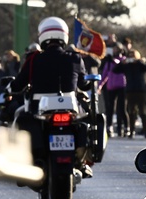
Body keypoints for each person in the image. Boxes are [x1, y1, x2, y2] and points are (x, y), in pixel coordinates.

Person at [10, 16, 93, 176]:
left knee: (20, 118)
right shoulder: (74, 58)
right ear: (64, 36)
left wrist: (11, 87)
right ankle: (82, 161)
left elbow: (18, 85)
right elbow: (83, 84)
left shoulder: (33, 58)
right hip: (70, 109)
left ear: (43, 36)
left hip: (38, 110)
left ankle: (24, 162)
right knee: (86, 121)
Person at [115, 50, 146, 139]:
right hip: (130, 90)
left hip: (141, 90)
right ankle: (131, 131)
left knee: (143, 111)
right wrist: (122, 63)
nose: (131, 58)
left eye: (133, 56)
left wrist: (139, 61)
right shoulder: (127, 66)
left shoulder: (140, 64)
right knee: (131, 111)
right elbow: (115, 70)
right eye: (130, 56)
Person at [100, 43, 129, 137]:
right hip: (111, 87)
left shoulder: (124, 60)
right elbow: (104, 74)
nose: (115, 51)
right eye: (114, 49)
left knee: (121, 108)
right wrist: (100, 85)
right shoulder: (109, 61)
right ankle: (109, 127)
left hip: (121, 86)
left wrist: (116, 61)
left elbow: (123, 69)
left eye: (117, 49)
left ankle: (125, 127)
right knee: (110, 109)